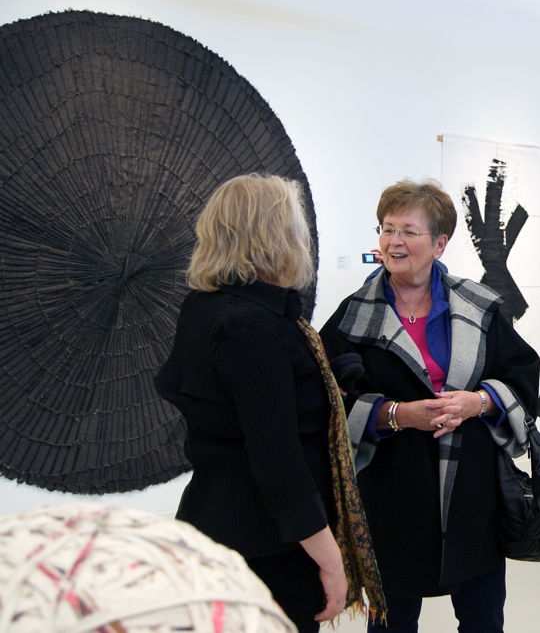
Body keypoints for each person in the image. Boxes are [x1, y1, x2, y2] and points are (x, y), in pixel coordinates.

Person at [155, 174, 381, 632]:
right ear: (278, 237)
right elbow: (278, 462)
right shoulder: (252, 329)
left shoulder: (206, 307)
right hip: (267, 548)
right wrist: (332, 562)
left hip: (217, 527)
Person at [319, 179, 539, 633]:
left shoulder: (479, 306)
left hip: (472, 491)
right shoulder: (353, 314)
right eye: (386, 228)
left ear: (440, 244)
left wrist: (478, 401)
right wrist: (395, 415)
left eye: (408, 231)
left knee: (481, 618)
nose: (394, 242)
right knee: (392, 619)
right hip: (392, 491)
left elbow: (522, 372)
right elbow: (326, 397)